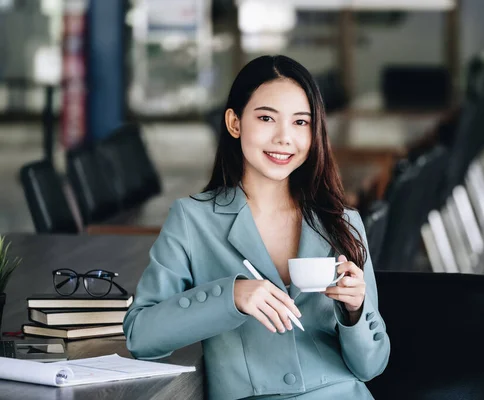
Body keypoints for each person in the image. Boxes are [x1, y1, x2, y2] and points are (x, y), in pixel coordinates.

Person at [123, 55, 390, 400]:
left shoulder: (342, 221)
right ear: (235, 123)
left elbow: (371, 366)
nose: (284, 138)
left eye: (300, 122)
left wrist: (354, 311)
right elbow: (140, 338)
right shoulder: (193, 220)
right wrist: (230, 296)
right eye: (266, 118)